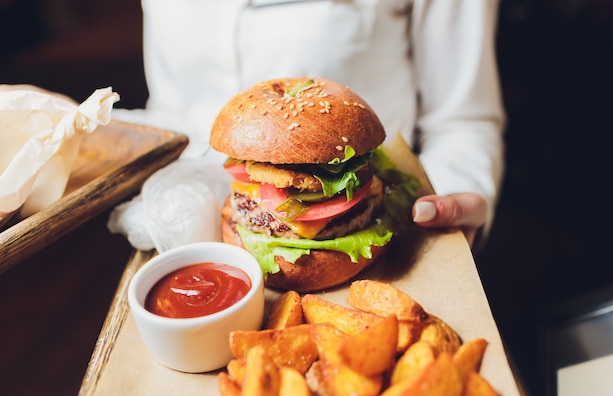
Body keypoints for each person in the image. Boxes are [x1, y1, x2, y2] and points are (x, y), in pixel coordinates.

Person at [8, 0, 506, 249]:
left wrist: (448, 211)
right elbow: (175, 115)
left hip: (391, 235)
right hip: (187, 249)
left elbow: (463, 119)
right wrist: (53, 134)